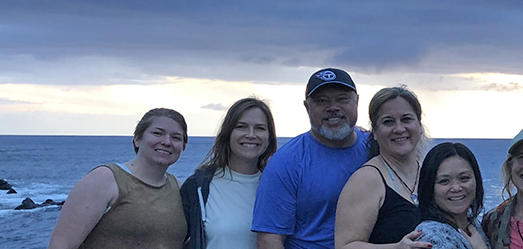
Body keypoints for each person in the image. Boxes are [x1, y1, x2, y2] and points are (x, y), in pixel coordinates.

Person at [252, 68, 370, 249]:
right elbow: (269, 239)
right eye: (322, 101)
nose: (333, 107)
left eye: (342, 99)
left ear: (357, 101)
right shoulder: (286, 162)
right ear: (307, 107)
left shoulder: (376, 147)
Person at [48, 108, 188, 248]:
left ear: (183, 146)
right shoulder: (104, 179)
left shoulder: (179, 189)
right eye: (157, 133)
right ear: (137, 139)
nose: (167, 142)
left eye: (176, 138)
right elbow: (61, 245)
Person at [335, 86, 433, 249]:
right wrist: (395, 248)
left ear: (420, 126)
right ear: (374, 132)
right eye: (388, 122)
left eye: (406, 119)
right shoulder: (367, 180)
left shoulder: (428, 173)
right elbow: (344, 246)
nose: (399, 128)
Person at [181, 98, 278, 249]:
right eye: (241, 127)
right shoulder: (198, 186)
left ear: (269, 137)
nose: (251, 135)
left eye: (259, 128)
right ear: (228, 133)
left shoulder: (279, 186)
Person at [413, 142, 490, 249]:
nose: (456, 187)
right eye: (444, 181)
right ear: (429, 188)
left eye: (464, 178)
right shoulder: (432, 237)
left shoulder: (473, 225)